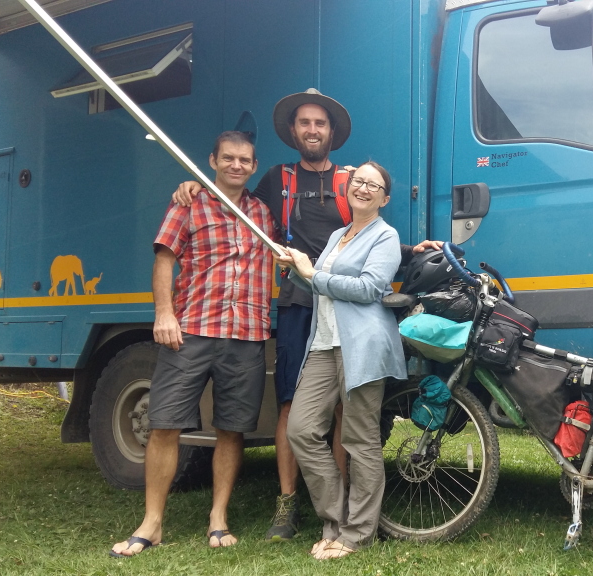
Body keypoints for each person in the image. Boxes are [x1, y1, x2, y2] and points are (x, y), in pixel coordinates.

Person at [171, 89, 439, 542]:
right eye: (304, 123)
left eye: (320, 123)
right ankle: (290, 502)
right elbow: (237, 205)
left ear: (332, 132)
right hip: (303, 309)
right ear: (293, 131)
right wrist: (199, 187)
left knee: (349, 418)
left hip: (346, 311)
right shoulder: (278, 179)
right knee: (294, 411)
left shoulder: (353, 183)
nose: (312, 130)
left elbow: (370, 245)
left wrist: (411, 251)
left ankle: (348, 515)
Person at [111, 131, 276, 557]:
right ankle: (152, 523)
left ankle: (218, 518)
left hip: (247, 334)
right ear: (213, 161)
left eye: (244, 160)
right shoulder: (189, 203)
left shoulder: (263, 213)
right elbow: (164, 260)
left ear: (254, 166)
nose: (236, 165)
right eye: (228, 158)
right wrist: (164, 314)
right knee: (165, 424)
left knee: (232, 429)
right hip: (192, 330)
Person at [276, 161, 407, 560]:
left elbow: (369, 288)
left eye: (373, 185)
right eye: (358, 181)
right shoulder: (338, 235)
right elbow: (323, 288)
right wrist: (296, 272)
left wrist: (312, 273)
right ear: (347, 188)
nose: (363, 188)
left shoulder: (385, 236)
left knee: (359, 440)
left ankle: (357, 534)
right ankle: (335, 520)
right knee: (301, 430)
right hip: (323, 343)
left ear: (384, 198)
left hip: (361, 345)